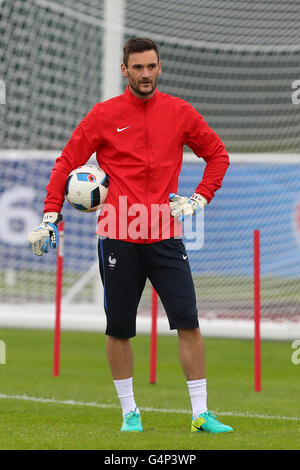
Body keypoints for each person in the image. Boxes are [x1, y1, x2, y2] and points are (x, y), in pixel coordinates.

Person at [28, 37, 233, 434]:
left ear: (160, 68)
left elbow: (218, 154)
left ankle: (200, 414)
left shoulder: (180, 112)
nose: (144, 74)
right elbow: (66, 162)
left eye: (150, 66)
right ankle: (129, 414)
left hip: (165, 236)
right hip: (118, 238)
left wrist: (199, 198)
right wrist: (51, 216)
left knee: (188, 321)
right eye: (137, 67)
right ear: (125, 70)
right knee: (119, 328)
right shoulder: (104, 115)